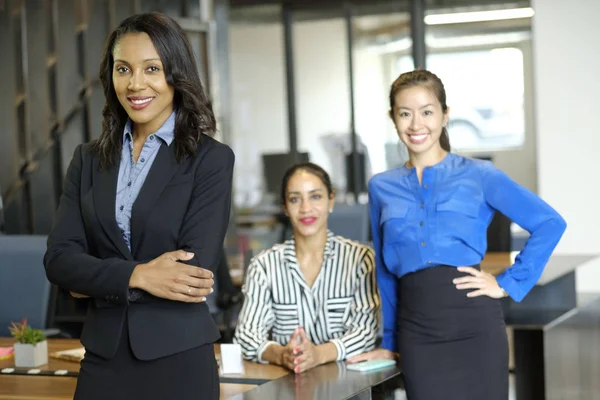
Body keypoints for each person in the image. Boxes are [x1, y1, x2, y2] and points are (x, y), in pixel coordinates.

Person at [43, 12, 234, 400]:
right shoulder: (88, 160)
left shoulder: (209, 159)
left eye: (152, 68)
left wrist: (94, 279)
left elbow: (192, 274)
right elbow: (59, 260)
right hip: (101, 357)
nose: (135, 84)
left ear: (175, 74)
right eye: (123, 69)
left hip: (178, 358)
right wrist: (138, 275)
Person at [348, 69, 566, 399]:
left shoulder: (479, 175)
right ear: (392, 118)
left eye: (427, 112)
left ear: (445, 115)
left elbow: (550, 223)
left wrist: (507, 282)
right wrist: (390, 342)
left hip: (475, 328)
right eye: (405, 113)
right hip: (417, 334)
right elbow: (385, 274)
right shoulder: (381, 187)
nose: (416, 124)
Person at [233, 162, 380, 373]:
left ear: (331, 200)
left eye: (315, 196)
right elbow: (247, 336)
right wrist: (282, 355)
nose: (305, 208)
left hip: (348, 386)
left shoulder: (360, 259)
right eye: (295, 199)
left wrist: (318, 355)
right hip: (287, 386)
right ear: (285, 207)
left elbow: (365, 333)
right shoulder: (264, 265)